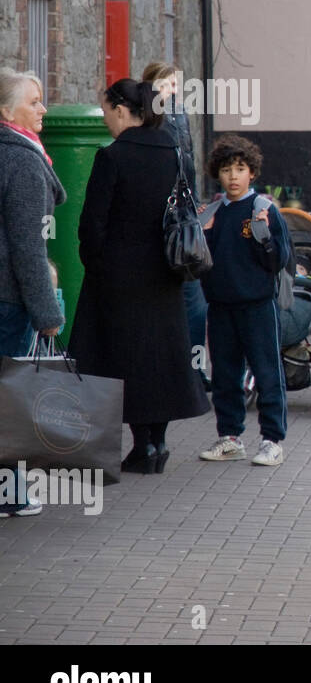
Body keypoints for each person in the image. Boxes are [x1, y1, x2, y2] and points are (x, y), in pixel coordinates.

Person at [67, 78, 211, 475]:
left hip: (117, 278)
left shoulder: (112, 157)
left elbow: (92, 224)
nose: (106, 121)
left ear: (119, 109)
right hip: (166, 273)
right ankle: (158, 443)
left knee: (124, 362)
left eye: (106, 112)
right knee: (161, 358)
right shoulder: (174, 151)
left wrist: (95, 262)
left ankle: (141, 445)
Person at [196, 135, 292, 467]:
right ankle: (231, 437)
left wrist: (264, 238)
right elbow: (199, 261)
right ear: (217, 175)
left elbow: (280, 259)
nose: (233, 176)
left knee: (267, 373)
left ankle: (272, 440)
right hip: (221, 306)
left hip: (258, 306)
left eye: (240, 169)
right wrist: (203, 233)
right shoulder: (211, 213)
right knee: (224, 374)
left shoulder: (263, 210)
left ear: (252, 173)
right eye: (226, 170)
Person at [0, 69, 65, 515]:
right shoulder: (22, 160)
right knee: (10, 400)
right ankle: (10, 493)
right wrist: (47, 312)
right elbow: (27, 247)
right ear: (7, 111)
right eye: (34, 102)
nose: (43, 109)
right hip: (9, 301)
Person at [141, 62, 208, 387]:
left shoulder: (179, 115)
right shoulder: (148, 121)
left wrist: (193, 206)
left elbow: (188, 167)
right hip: (162, 222)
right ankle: (177, 372)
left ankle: (192, 371)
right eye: (166, 85)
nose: (173, 91)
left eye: (175, 84)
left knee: (194, 300)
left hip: (183, 219)